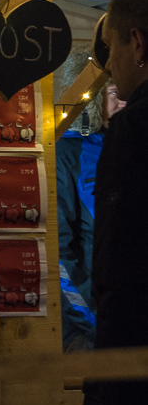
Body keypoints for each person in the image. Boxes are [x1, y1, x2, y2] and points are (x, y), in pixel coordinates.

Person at [78, 0, 148, 405]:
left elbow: (124, 286)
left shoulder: (134, 136)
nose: (110, 68)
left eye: (112, 49)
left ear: (137, 43)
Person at [56, 71, 124, 352]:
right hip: (88, 327)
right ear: (96, 99)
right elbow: (58, 250)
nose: (124, 102)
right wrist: (93, 318)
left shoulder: (135, 148)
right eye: (114, 93)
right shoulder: (69, 152)